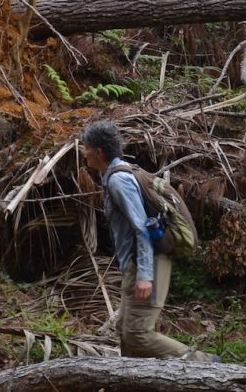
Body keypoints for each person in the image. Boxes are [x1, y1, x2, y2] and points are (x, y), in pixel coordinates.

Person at [79, 120, 218, 361]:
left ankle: (206, 365)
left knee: (136, 333)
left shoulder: (118, 181)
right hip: (139, 264)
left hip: (148, 264)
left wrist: (144, 275)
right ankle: (133, 380)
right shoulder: (120, 172)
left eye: (85, 148)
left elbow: (141, 227)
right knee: (125, 330)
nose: (83, 152)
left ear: (98, 152)